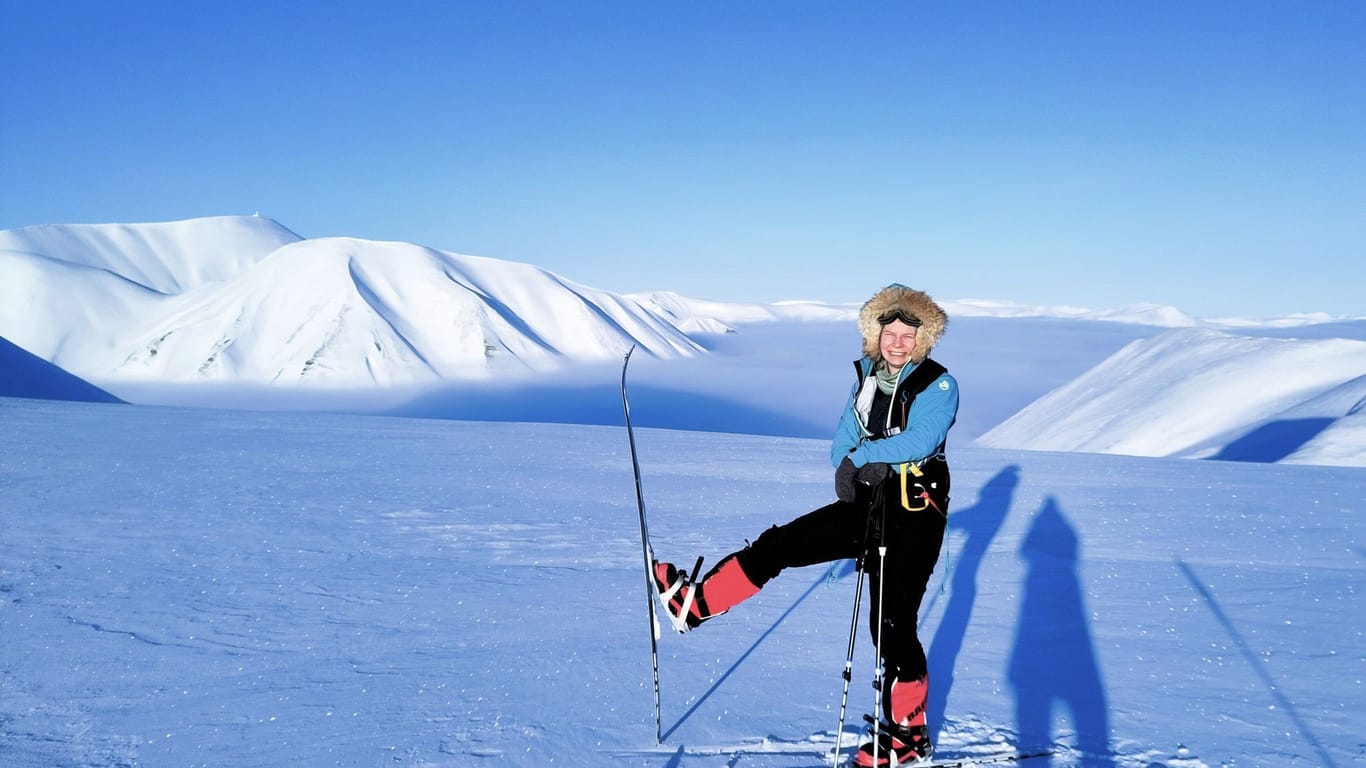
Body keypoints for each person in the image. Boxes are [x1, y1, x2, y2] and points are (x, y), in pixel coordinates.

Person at [653, 283, 958, 767]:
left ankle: (908, 738)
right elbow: (844, 436)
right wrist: (848, 466)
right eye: (889, 332)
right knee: (782, 544)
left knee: (893, 628)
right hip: (870, 501)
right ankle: (698, 603)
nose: (897, 343)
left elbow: (922, 439)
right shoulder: (867, 379)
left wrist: (866, 457)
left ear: (922, 340)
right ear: (874, 335)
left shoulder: (938, 383)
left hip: (915, 516)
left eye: (907, 335)